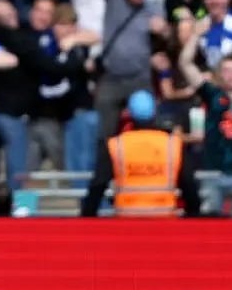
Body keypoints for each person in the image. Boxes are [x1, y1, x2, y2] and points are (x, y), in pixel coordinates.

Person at [81, 90, 201, 218]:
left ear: (129, 114)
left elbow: (97, 187)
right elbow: (189, 187)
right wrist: (193, 216)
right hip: (164, 221)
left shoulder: (116, 145)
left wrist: (86, 218)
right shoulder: (172, 145)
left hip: (126, 222)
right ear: (154, 112)